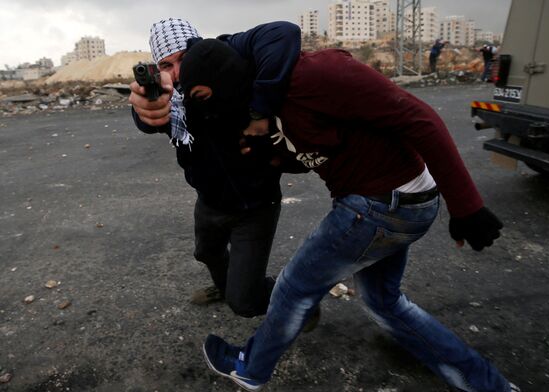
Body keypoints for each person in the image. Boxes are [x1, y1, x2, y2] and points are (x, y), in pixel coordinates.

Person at [180, 39, 521, 392]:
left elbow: (420, 118)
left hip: (383, 204)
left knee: (294, 287)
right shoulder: (258, 108)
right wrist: (274, 156)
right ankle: (487, 385)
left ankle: (250, 367)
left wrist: (466, 206)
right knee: (383, 303)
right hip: (388, 204)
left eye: (204, 95)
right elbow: (319, 152)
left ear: (224, 76)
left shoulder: (318, 73)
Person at [128, 19, 300, 317]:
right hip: (209, 202)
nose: (179, 72)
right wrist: (143, 110)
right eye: (167, 65)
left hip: (254, 206)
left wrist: (260, 109)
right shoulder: (173, 100)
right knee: (206, 253)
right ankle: (226, 287)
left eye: (184, 58)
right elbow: (147, 116)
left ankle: (297, 298)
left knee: (245, 303)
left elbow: (284, 33)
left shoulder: (225, 58)